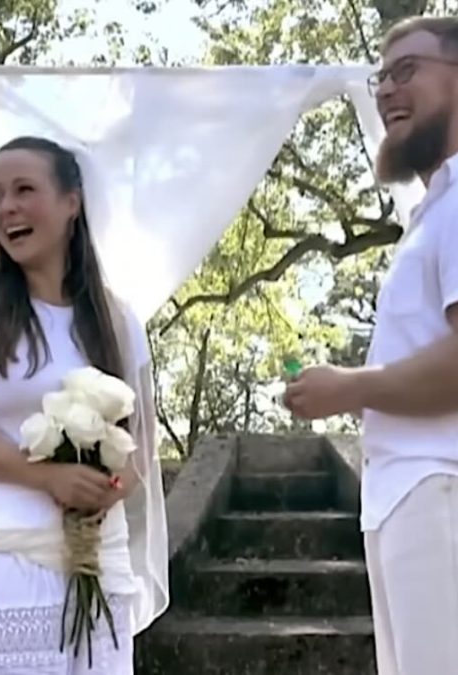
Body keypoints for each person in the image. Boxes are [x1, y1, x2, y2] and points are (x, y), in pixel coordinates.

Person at [0, 136, 168, 674]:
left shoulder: (117, 320)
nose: (6, 208)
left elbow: (141, 434)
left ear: (72, 202)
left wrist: (107, 492)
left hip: (95, 560)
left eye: (24, 189)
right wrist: (47, 477)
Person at [282, 17, 458, 675]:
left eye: (407, 71)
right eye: (381, 77)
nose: (386, 91)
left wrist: (348, 387)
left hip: (440, 484)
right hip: (402, 493)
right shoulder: (432, 214)